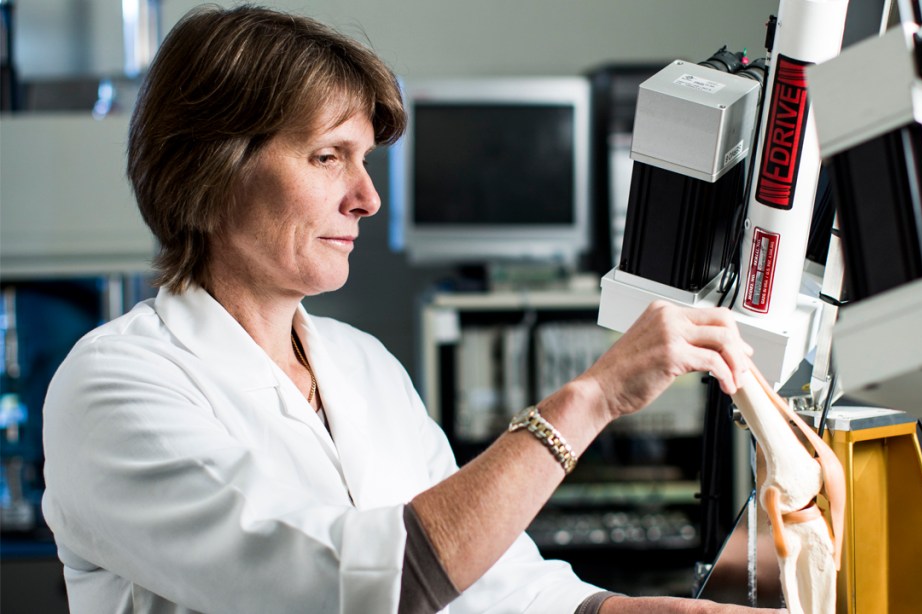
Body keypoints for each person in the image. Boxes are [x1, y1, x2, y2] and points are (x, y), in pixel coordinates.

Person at [41, 6, 782, 614]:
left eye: (365, 160)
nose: (367, 199)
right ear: (213, 168)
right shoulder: (115, 387)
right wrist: (592, 397)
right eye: (329, 157)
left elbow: (497, 587)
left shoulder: (362, 367)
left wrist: (638, 613)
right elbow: (364, 587)